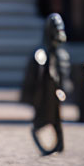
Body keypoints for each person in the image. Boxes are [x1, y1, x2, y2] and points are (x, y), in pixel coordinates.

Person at [20, 13, 70, 155]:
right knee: (43, 120)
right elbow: (37, 74)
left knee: (56, 119)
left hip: (53, 92)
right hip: (45, 94)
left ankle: (59, 144)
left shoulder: (58, 53)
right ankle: (51, 143)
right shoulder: (41, 54)